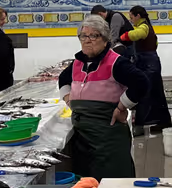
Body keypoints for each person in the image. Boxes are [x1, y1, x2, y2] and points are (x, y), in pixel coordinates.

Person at [58, 16, 148, 179]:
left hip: (108, 137)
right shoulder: (78, 62)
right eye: (84, 36)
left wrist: (122, 105)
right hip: (82, 137)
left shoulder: (116, 63)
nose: (88, 40)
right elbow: (63, 79)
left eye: (94, 36)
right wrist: (68, 100)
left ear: (105, 39)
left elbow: (141, 83)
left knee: (112, 182)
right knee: (87, 184)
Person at [122, 5, 172, 135]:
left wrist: (122, 37)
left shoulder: (143, 27)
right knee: (156, 94)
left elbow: (135, 35)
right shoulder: (148, 26)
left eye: (132, 17)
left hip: (148, 65)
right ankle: (163, 122)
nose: (131, 20)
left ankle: (140, 125)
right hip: (151, 63)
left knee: (144, 93)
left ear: (138, 16)